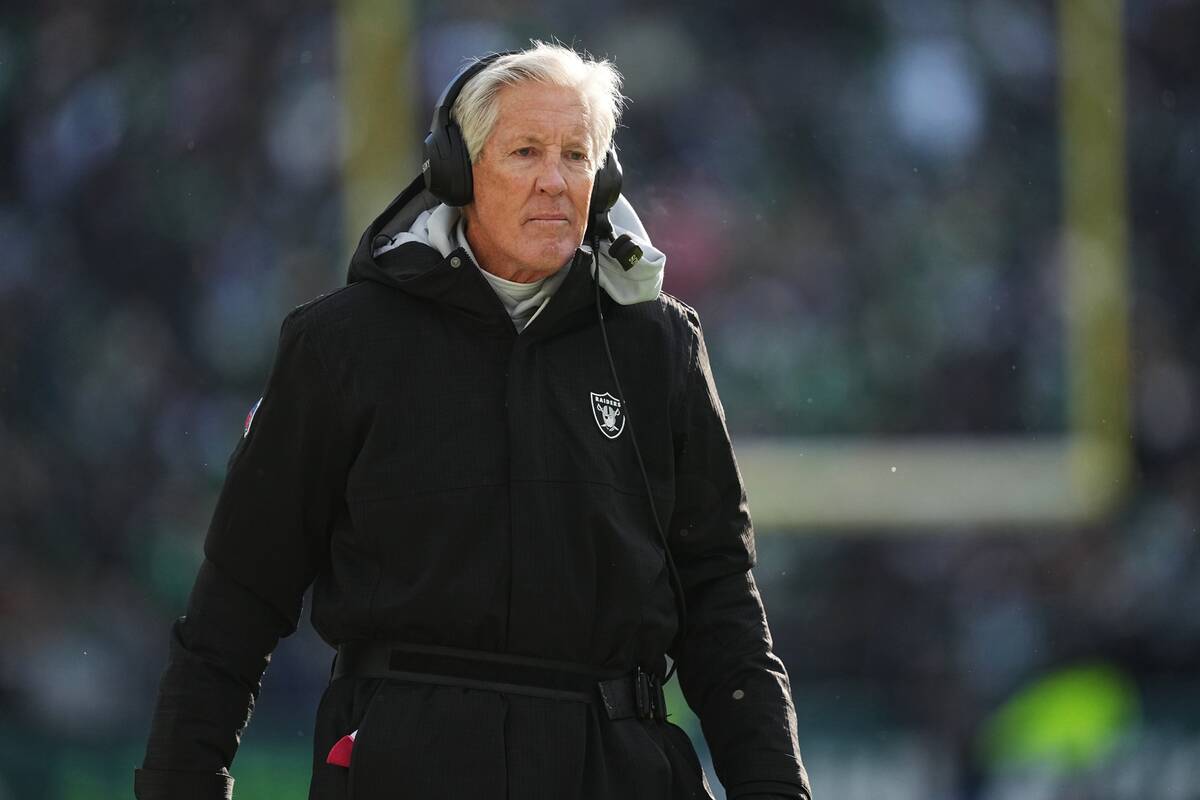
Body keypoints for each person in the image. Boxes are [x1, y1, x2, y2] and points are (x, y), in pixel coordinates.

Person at [135, 42, 812, 800]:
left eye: (576, 156)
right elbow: (239, 596)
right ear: (457, 171)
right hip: (405, 768)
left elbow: (721, 605)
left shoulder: (660, 346)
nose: (556, 181)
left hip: (617, 770)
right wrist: (179, 782)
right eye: (526, 151)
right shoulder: (342, 343)